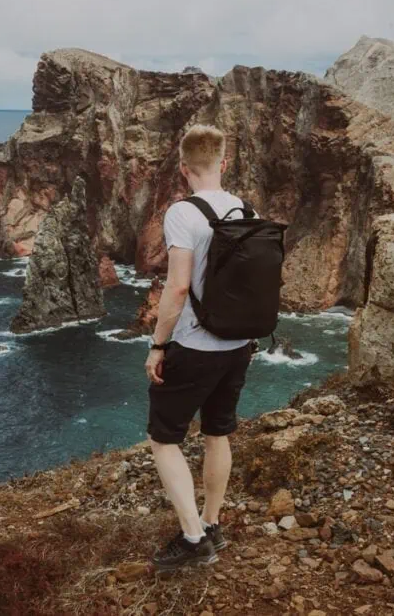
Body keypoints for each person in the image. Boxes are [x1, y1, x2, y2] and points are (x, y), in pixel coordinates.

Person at [144, 124, 254, 571]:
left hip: (195, 344)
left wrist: (158, 345)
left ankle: (193, 541)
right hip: (239, 342)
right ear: (224, 163)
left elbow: (178, 287)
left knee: (163, 439)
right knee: (217, 433)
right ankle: (211, 524)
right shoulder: (246, 208)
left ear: (184, 168)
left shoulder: (182, 213)